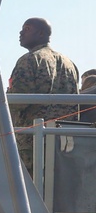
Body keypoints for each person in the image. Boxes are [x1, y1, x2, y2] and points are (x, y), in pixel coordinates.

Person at [7, 17, 78, 175]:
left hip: (31, 144)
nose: (20, 33)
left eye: (27, 29)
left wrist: (4, 96)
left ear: (41, 33)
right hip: (63, 144)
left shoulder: (29, 60)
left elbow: (17, 102)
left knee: (29, 194)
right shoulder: (69, 63)